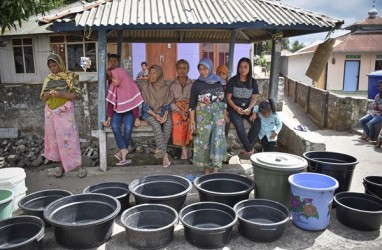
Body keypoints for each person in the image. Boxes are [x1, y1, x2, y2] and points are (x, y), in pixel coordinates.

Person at [40, 53, 87, 178]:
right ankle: (61, 167)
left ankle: (79, 166)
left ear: (60, 63)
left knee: (70, 139)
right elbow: (43, 97)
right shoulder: (48, 78)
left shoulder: (70, 76)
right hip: (51, 113)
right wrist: (47, 95)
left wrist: (62, 94)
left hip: (65, 113)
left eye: (54, 64)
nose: (52, 67)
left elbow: (77, 95)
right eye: (50, 65)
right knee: (56, 141)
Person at [189, 58, 227, 175]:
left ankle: (215, 170)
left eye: (204, 69)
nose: (202, 72)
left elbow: (223, 101)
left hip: (218, 117)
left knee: (217, 141)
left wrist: (224, 116)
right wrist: (192, 121)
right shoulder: (196, 85)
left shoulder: (219, 82)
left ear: (210, 68)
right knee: (203, 142)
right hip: (203, 118)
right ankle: (205, 170)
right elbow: (192, 104)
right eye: (200, 69)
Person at [104, 67, 143, 166]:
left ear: (120, 77)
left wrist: (137, 118)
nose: (112, 80)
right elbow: (110, 104)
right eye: (112, 78)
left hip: (129, 112)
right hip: (117, 111)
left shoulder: (130, 86)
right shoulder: (113, 86)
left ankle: (121, 154)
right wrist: (109, 118)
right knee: (114, 126)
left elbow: (134, 105)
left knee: (128, 128)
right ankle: (123, 150)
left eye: (114, 78)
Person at [226, 57, 260, 155]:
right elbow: (228, 98)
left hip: (247, 108)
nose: (243, 69)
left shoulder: (253, 82)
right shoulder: (232, 81)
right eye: (240, 67)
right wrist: (236, 108)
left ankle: (246, 146)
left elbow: (254, 97)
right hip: (233, 108)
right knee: (239, 124)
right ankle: (249, 150)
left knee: (257, 123)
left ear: (249, 68)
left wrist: (250, 108)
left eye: (245, 67)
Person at [141, 65, 173, 167]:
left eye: (154, 73)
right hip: (149, 113)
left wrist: (165, 114)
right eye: (150, 73)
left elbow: (167, 104)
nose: (151, 75)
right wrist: (155, 115)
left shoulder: (165, 87)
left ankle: (160, 149)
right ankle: (165, 155)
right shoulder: (145, 86)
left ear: (159, 74)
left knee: (168, 124)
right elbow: (144, 106)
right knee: (156, 126)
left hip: (163, 112)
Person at [170, 59, 193, 159]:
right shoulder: (172, 85)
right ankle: (184, 148)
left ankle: (189, 147)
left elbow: (194, 99)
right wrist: (179, 111)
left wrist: (188, 110)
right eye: (180, 68)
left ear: (188, 69)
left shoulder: (192, 84)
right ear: (176, 69)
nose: (182, 70)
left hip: (189, 108)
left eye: (184, 68)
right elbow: (169, 101)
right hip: (176, 109)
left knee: (190, 122)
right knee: (178, 122)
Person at [216, 65, 230, 136]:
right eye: (219, 74)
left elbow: (227, 99)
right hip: (217, 107)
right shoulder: (214, 85)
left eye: (223, 74)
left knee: (227, 121)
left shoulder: (228, 86)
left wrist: (226, 110)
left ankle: (225, 139)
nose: (221, 76)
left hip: (227, 108)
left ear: (226, 76)